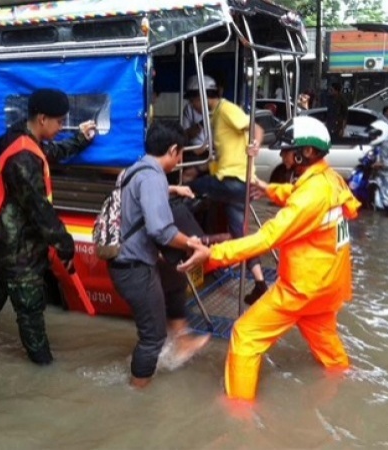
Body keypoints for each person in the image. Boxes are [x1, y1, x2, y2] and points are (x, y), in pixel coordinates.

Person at [179, 116, 361, 402]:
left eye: (287, 149)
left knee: (245, 335)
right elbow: (300, 196)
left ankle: (239, 414)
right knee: (329, 350)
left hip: (302, 288)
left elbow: (267, 238)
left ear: (306, 152)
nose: (282, 154)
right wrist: (268, 189)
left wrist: (213, 253)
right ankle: (348, 389)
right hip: (329, 287)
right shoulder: (330, 180)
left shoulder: (311, 194)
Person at [0, 88, 97, 365]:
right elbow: (39, 208)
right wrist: (64, 243)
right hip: (18, 253)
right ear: (42, 118)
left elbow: (52, 151)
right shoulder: (23, 158)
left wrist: (81, 139)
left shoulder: (21, 140)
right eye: (59, 122)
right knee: (31, 315)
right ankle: (44, 370)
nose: (61, 127)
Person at [107, 120, 211, 389]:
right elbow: (161, 231)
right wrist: (193, 244)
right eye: (181, 154)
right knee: (153, 337)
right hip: (134, 267)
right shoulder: (153, 177)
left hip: (124, 263)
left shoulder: (135, 170)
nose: (179, 160)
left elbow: (140, 196)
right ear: (174, 149)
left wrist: (172, 189)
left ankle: (175, 344)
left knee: (160, 314)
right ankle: (136, 393)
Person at [185, 75, 269, 305]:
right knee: (242, 237)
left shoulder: (226, 109)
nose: (192, 107)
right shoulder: (214, 117)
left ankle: (189, 244)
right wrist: (199, 169)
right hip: (237, 184)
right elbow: (220, 157)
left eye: (193, 101)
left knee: (183, 192)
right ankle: (260, 283)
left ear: (201, 97)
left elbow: (255, 127)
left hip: (234, 182)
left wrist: (256, 145)